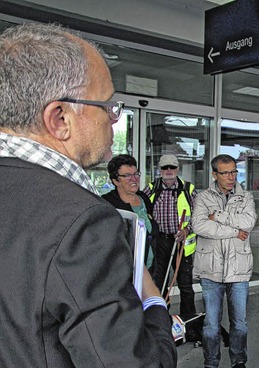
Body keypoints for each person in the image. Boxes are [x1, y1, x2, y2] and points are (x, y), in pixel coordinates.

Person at [0, 23, 175, 366]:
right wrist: (153, 303)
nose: (114, 119)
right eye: (107, 105)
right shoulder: (83, 221)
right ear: (59, 118)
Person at [192, 154, 257, 368]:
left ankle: (239, 362)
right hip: (211, 269)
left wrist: (218, 215)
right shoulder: (203, 197)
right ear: (214, 174)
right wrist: (234, 232)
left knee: (240, 324)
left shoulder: (245, 197)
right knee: (211, 325)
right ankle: (211, 363)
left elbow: (248, 221)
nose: (231, 177)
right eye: (226, 172)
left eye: (234, 172)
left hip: (238, 269)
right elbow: (200, 227)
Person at [143, 153, 197, 320]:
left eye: (172, 167)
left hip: (181, 242)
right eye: (164, 167)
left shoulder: (189, 189)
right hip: (159, 242)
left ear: (177, 169)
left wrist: (187, 230)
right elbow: (143, 212)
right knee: (159, 283)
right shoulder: (150, 189)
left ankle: (189, 321)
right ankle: (161, 320)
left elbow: (199, 217)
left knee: (185, 284)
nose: (168, 170)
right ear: (159, 170)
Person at [103, 154, 159, 268]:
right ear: (115, 180)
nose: (134, 179)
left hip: (150, 268)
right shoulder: (107, 204)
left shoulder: (144, 198)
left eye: (136, 174)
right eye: (128, 175)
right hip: (125, 272)